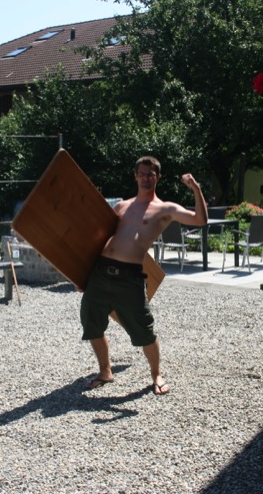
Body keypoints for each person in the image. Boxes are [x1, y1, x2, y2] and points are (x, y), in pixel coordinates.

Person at [80, 155, 207, 395]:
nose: (146, 178)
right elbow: (100, 239)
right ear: (135, 176)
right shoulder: (121, 206)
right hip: (100, 272)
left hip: (130, 277)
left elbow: (200, 220)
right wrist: (82, 275)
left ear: (158, 177)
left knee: (144, 330)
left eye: (151, 174)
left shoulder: (165, 209)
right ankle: (105, 371)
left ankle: (156, 375)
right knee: (91, 323)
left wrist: (195, 188)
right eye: (142, 173)